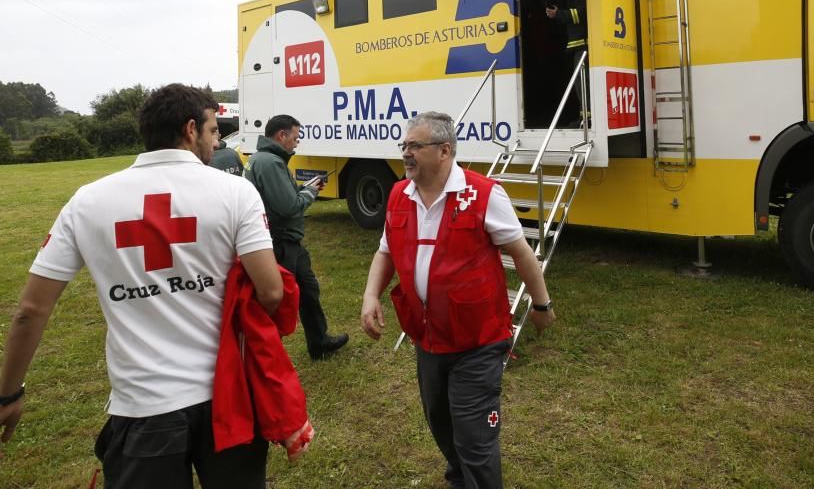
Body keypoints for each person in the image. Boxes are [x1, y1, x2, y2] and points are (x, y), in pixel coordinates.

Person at [0, 84, 285, 487]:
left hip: (144, 407)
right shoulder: (235, 191)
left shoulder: (87, 201)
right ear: (190, 129)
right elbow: (271, 291)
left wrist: (8, 394)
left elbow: (31, 310)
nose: (215, 140)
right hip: (228, 396)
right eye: (211, 131)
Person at [361, 111, 556, 489]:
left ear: (444, 150)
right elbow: (385, 252)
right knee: (441, 423)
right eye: (404, 145)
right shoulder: (400, 194)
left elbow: (522, 254)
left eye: (415, 146)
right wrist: (371, 295)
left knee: (474, 437)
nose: (406, 153)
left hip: (477, 341)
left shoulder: (483, 194)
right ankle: (459, 478)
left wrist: (542, 304)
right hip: (427, 337)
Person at [244, 114, 349, 361]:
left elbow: (282, 198)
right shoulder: (270, 163)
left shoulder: (266, 159)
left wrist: (303, 188)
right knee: (278, 300)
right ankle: (265, 356)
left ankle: (319, 342)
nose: (297, 143)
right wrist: (310, 192)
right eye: (295, 137)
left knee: (308, 290)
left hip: (288, 242)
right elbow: (288, 208)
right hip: (279, 243)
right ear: (281, 135)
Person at [546, 0, 587, 125]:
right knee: (578, 85)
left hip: (582, 45)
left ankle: (587, 120)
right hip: (574, 46)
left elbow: (579, 15)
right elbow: (563, 18)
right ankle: (583, 117)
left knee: (583, 84)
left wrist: (559, 14)